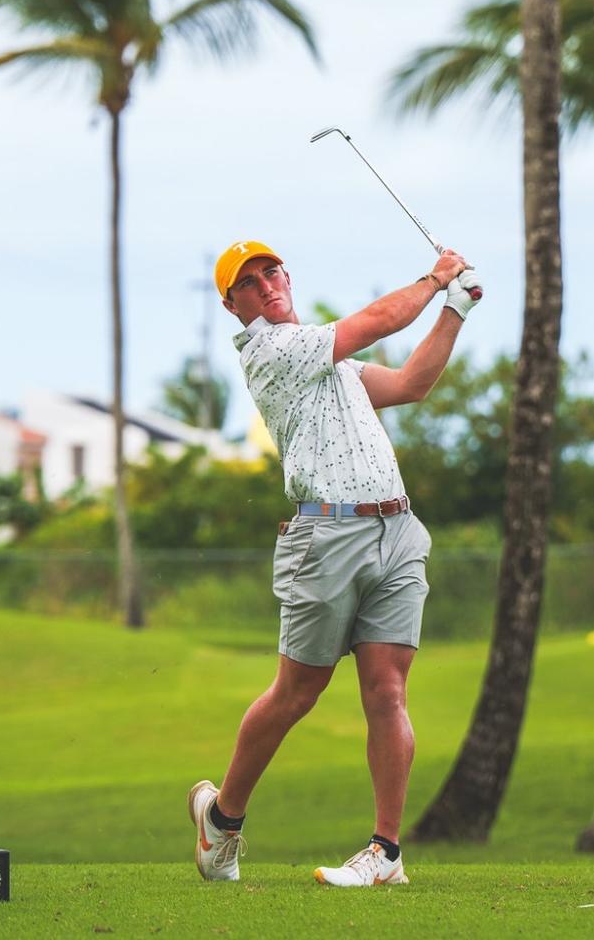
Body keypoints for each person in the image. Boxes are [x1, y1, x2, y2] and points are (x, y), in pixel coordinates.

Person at [189, 238, 482, 888]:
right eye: (249, 282)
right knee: (298, 693)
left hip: (396, 530)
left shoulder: (335, 367)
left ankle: (386, 853)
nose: (266, 285)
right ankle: (223, 820)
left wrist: (455, 310)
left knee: (388, 690)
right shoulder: (273, 351)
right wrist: (436, 280)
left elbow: (411, 383)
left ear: (286, 275)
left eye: (271, 271)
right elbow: (378, 321)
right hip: (326, 537)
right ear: (234, 305)